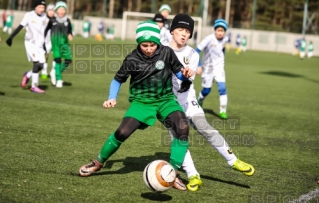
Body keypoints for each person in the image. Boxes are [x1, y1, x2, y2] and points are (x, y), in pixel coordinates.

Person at [78, 20, 195, 191]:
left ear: (157, 42)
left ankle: (173, 172)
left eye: (152, 45)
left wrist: (185, 74)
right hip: (141, 101)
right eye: (144, 45)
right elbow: (118, 79)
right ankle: (98, 162)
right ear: (139, 43)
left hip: (165, 100)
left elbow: (179, 72)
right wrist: (112, 97)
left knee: (183, 127)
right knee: (122, 132)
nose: (149, 48)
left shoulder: (167, 53)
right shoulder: (132, 59)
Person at [168, 13, 255, 192]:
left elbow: (186, 83)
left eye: (187, 31)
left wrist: (185, 76)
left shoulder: (191, 54)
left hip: (188, 100)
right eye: (180, 30)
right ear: (172, 31)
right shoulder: (160, 51)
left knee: (205, 127)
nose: (184, 34)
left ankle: (233, 160)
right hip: (167, 104)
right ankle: (193, 175)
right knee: (179, 139)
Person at [6, 0, 47, 94]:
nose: (42, 9)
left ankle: (27, 75)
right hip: (30, 43)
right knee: (36, 63)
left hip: (40, 45)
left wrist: (44, 46)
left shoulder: (44, 17)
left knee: (41, 66)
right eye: (40, 7)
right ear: (35, 7)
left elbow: (42, 33)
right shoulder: (29, 15)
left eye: (43, 8)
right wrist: (11, 37)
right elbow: (20, 26)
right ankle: (34, 87)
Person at [196, 19, 229, 119]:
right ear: (215, 30)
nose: (220, 33)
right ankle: (199, 101)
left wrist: (222, 60)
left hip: (219, 68)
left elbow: (222, 49)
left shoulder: (225, 39)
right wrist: (198, 65)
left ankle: (223, 111)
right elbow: (196, 51)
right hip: (207, 69)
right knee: (206, 90)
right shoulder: (208, 39)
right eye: (218, 30)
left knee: (222, 89)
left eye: (222, 31)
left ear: (224, 32)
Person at [44, 1, 73, 88]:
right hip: (55, 44)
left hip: (65, 44)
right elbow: (46, 30)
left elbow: (69, 30)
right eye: (60, 9)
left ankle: (55, 71)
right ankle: (59, 79)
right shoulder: (52, 20)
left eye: (63, 9)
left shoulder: (67, 20)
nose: (61, 11)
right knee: (58, 60)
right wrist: (43, 40)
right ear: (56, 10)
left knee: (68, 60)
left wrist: (70, 34)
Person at [41, 3, 55, 80]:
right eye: (50, 10)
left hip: (54, 41)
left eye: (53, 10)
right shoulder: (43, 19)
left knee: (56, 57)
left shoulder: (56, 20)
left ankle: (53, 71)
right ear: (47, 11)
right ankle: (44, 71)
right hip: (45, 41)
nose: (51, 12)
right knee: (45, 57)